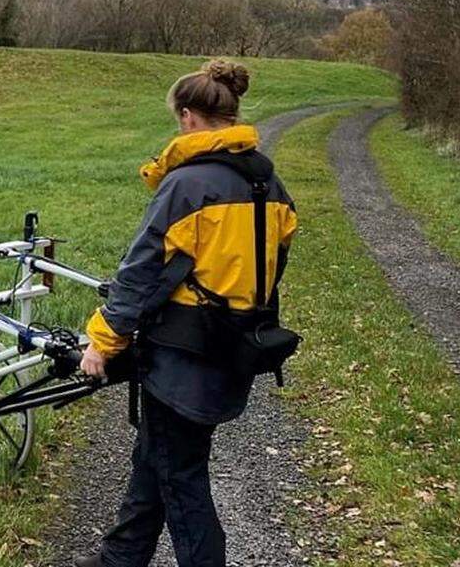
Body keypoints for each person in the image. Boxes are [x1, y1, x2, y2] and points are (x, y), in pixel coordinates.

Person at [74, 60, 298, 567]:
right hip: (233, 345)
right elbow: (274, 260)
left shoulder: (188, 185)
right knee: (157, 457)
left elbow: (142, 270)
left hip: (182, 353)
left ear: (189, 117)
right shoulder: (266, 180)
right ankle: (121, 558)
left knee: (182, 478)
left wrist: (103, 341)